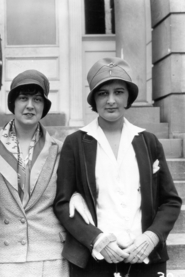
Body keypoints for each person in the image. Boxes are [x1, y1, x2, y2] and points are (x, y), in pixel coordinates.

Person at [54, 57, 182, 277]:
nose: (111, 100)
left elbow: (170, 201)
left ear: (128, 97)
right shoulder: (76, 143)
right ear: (94, 99)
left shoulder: (147, 141)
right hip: (96, 261)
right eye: (103, 93)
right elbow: (63, 203)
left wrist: (151, 237)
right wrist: (97, 240)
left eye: (118, 92)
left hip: (144, 260)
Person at [0, 70, 93, 277]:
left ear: (44, 106)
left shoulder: (61, 149)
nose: (30, 105)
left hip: (51, 253)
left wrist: (76, 195)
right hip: (5, 254)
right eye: (23, 98)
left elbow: (72, 190)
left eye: (37, 99)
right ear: (13, 104)